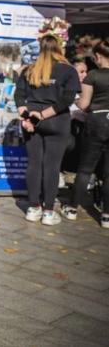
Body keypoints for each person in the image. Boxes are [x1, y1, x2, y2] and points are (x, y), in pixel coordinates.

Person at [16, 34, 80, 225]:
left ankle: (34, 208)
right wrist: (42, 116)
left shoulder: (29, 70)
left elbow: (19, 97)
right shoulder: (68, 70)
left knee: (34, 164)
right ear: (59, 48)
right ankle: (49, 212)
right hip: (57, 121)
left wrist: (29, 117)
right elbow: (68, 99)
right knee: (52, 166)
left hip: (32, 122)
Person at [68, 44, 109, 228]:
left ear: (99, 56)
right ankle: (106, 215)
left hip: (96, 123)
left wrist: (75, 99)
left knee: (85, 169)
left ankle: (72, 208)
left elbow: (84, 104)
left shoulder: (93, 76)